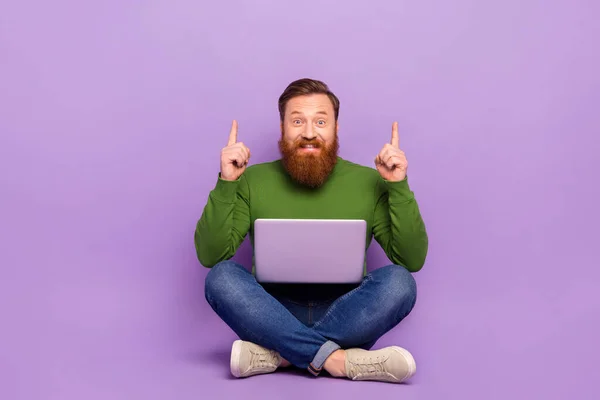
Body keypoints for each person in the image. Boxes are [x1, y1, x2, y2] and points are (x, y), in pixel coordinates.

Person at [194, 78, 428, 384]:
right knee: (221, 277)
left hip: (347, 314)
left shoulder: (369, 181)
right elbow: (211, 255)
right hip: (270, 313)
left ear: (336, 128)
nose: (308, 132)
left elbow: (411, 259)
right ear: (282, 129)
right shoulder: (251, 179)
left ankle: (280, 355)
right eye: (297, 121)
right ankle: (339, 360)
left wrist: (398, 187)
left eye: (320, 121)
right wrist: (227, 183)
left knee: (400, 283)